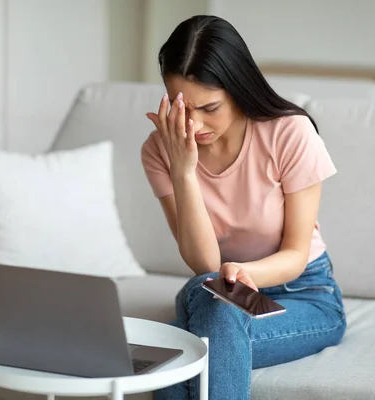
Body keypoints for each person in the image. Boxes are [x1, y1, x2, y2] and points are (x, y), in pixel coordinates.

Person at [141, 15, 347, 400]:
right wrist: (184, 172)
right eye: (182, 107)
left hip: (304, 293)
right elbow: (203, 262)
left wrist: (243, 273)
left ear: (237, 89)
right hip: (220, 293)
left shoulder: (289, 133)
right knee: (210, 312)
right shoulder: (160, 151)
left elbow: (296, 255)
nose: (195, 124)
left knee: (173, 357)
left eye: (210, 107)